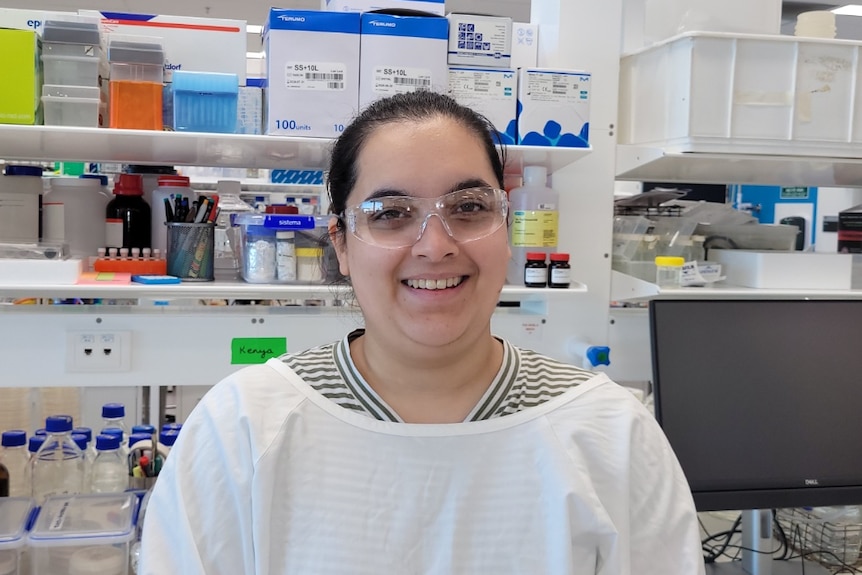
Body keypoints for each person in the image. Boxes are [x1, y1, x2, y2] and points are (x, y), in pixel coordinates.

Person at [139, 91, 705, 574]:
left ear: (505, 227)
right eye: (390, 213)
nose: (436, 245)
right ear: (340, 242)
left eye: (468, 206)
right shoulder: (241, 429)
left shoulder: (611, 433)